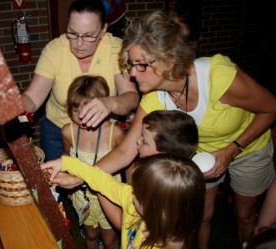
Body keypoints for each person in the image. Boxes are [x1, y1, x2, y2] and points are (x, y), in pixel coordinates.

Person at [48, 11, 276, 249]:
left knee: (244, 216)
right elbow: (125, 151)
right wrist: (79, 176)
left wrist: (231, 150)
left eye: (140, 65)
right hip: (201, 157)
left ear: (170, 60)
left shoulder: (217, 76)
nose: (132, 73)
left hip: (247, 144)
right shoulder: (153, 99)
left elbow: (270, 108)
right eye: (131, 64)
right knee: (203, 217)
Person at [21, 0, 139, 161]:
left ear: (103, 29)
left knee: (102, 181)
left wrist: (109, 103)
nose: (79, 43)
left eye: (89, 36)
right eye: (73, 33)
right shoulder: (55, 50)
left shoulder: (115, 49)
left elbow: (131, 97)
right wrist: (14, 107)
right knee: (57, 183)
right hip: (58, 132)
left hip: (105, 133)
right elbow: (32, 98)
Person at [42, 153, 206, 249]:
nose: (130, 190)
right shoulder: (134, 199)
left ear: (156, 208)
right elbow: (104, 182)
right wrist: (67, 162)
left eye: (137, 191)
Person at [62, 75, 125, 249]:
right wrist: (70, 187)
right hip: (82, 197)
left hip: (109, 196)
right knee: (90, 235)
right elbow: (67, 159)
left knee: (110, 239)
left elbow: (128, 165)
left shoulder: (116, 133)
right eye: (76, 111)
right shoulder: (68, 132)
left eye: (88, 110)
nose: (82, 117)